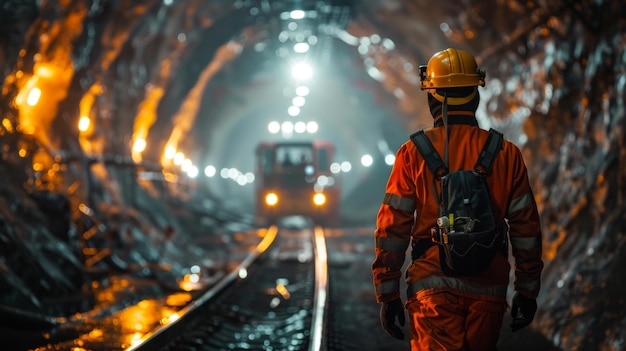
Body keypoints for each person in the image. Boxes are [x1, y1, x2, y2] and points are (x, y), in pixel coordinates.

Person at [372, 48, 544, 350]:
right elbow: (526, 231)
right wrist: (527, 291)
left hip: (431, 288)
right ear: (475, 94)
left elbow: (392, 229)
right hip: (489, 288)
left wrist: (388, 294)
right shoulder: (506, 154)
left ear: (432, 97)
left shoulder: (412, 153)